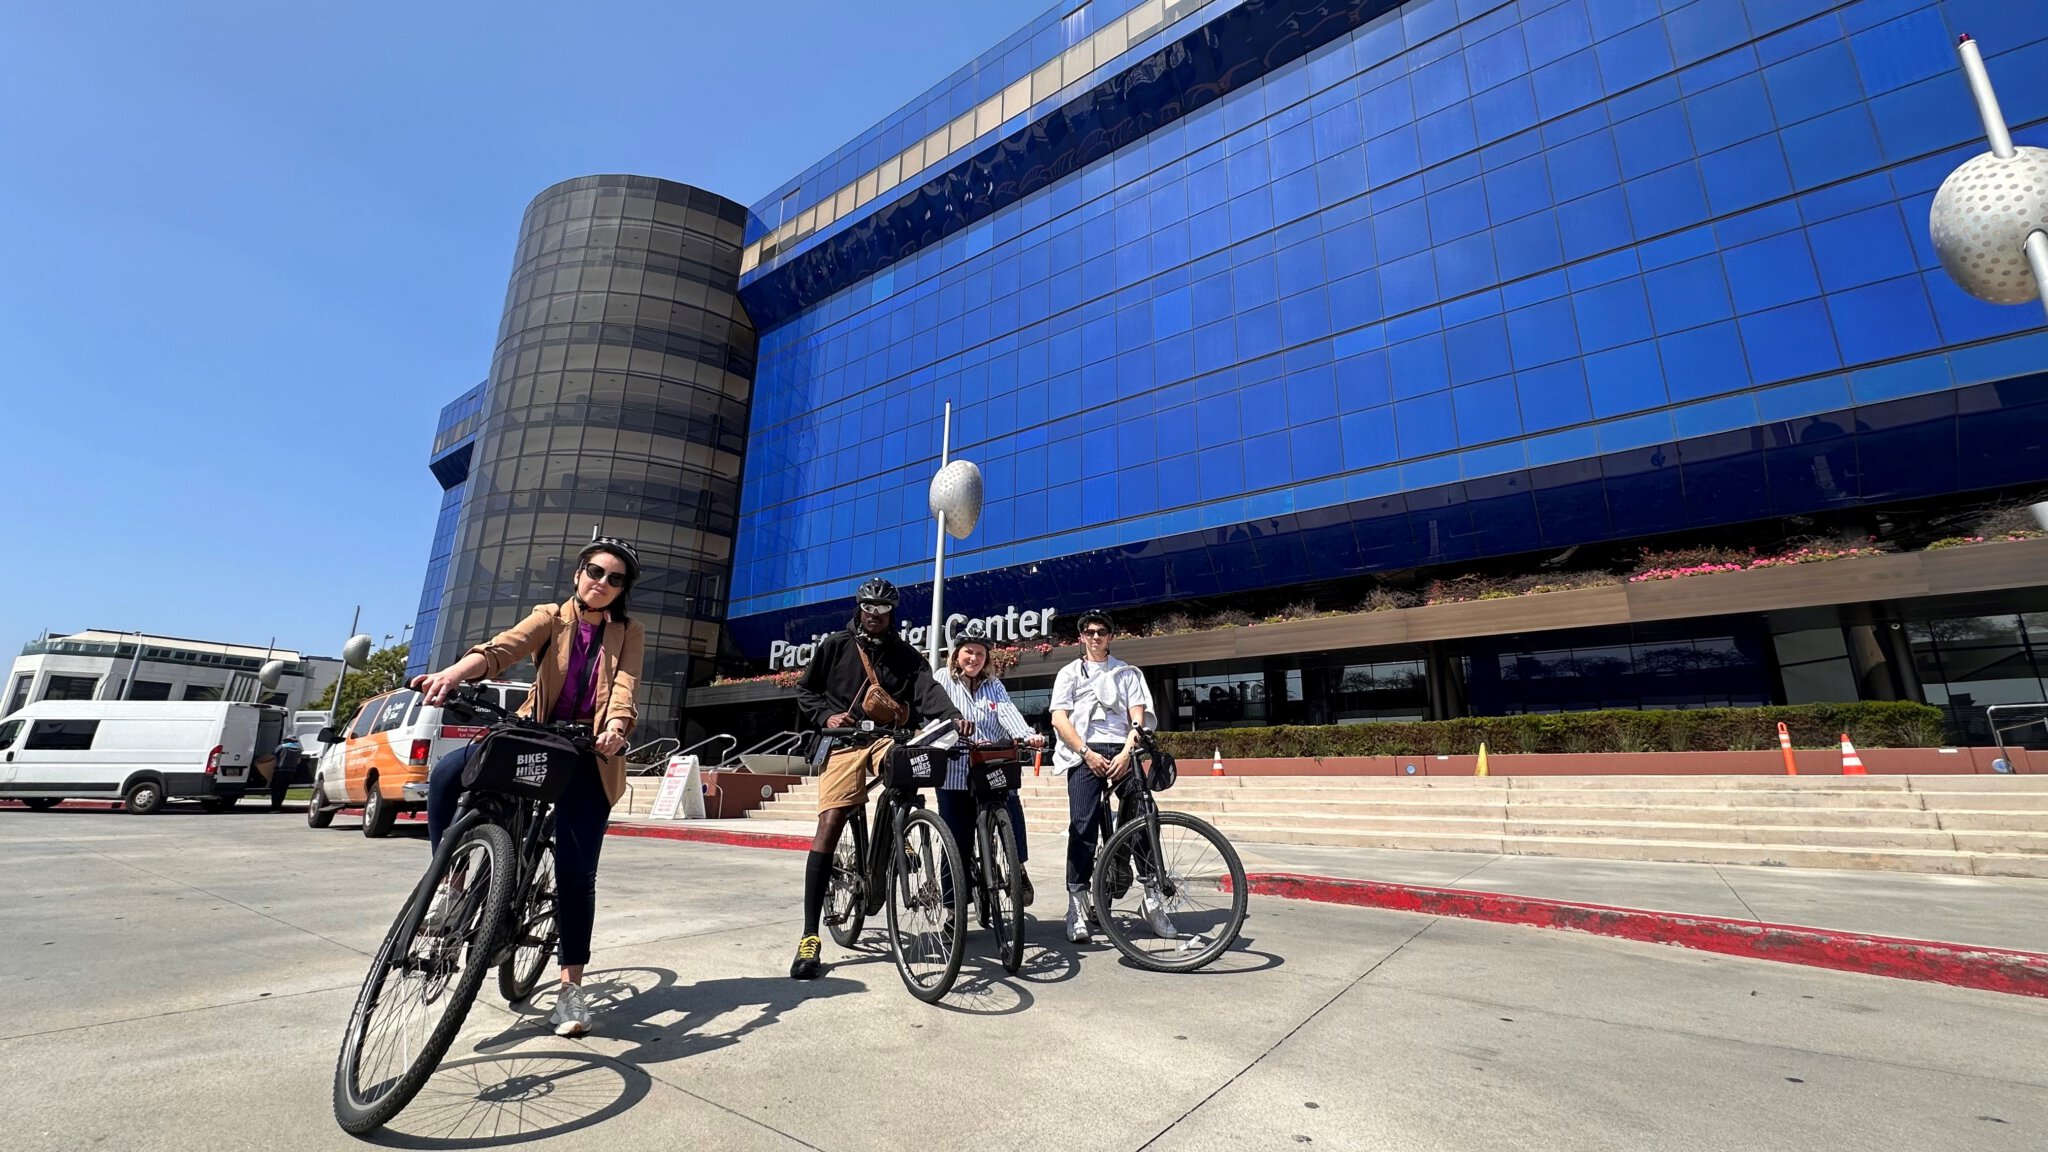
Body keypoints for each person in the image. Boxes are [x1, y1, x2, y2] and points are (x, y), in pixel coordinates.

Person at [409, 537, 646, 1037]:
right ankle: (451, 887)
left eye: (615, 578)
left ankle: (569, 990)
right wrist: (452, 674)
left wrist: (616, 728)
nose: (602, 583)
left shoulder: (629, 633)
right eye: (595, 572)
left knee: (575, 873)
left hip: (590, 752)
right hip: (533, 736)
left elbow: (624, 688)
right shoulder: (551, 617)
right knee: (449, 774)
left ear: (623, 589)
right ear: (579, 575)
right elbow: (502, 650)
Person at [789, 577, 962, 980]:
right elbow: (805, 691)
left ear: (891, 613)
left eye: (882, 611)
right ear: (860, 608)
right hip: (842, 743)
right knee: (829, 824)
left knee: (904, 766)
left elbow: (928, 691)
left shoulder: (906, 655)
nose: (874, 616)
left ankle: (898, 831)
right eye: (868, 609)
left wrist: (952, 715)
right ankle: (810, 936)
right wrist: (825, 717)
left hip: (885, 739)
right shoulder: (835, 645)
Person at [1048, 609, 1168, 944]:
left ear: (1110, 636)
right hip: (1084, 752)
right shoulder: (1069, 673)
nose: (1096, 636)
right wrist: (1086, 753)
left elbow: (1138, 720)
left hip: (1123, 751)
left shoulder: (1128, 673)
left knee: (1146, 813)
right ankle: (1077, 902)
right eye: (1089, 632)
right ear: (1082, 637)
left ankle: (1151, 895)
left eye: (1102, 631)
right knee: (1082, 825)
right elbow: (1059, 719)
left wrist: (1126, 754)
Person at [935, 634, 1045, 908]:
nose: (974, 659)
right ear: (956, 654)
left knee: (1011, 806)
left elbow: (1008, 714)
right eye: (968, 652)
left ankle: (1017, 867)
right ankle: (952, 910)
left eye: (980, 654)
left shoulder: (993, 685)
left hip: (990, 766)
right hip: (954, 771)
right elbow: (933, 714)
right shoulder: (942, 679)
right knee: (955, 843)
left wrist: (1028, 736)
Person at [268, 734, 303, 812]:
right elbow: (298, 761)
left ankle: (274, 807)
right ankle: (279, 806)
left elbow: (272, 756)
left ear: (287, 740)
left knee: (275, 789)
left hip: (280, 770)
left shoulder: (281, 747)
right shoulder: (299, 749)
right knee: (283, 790)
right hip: (291, 772)